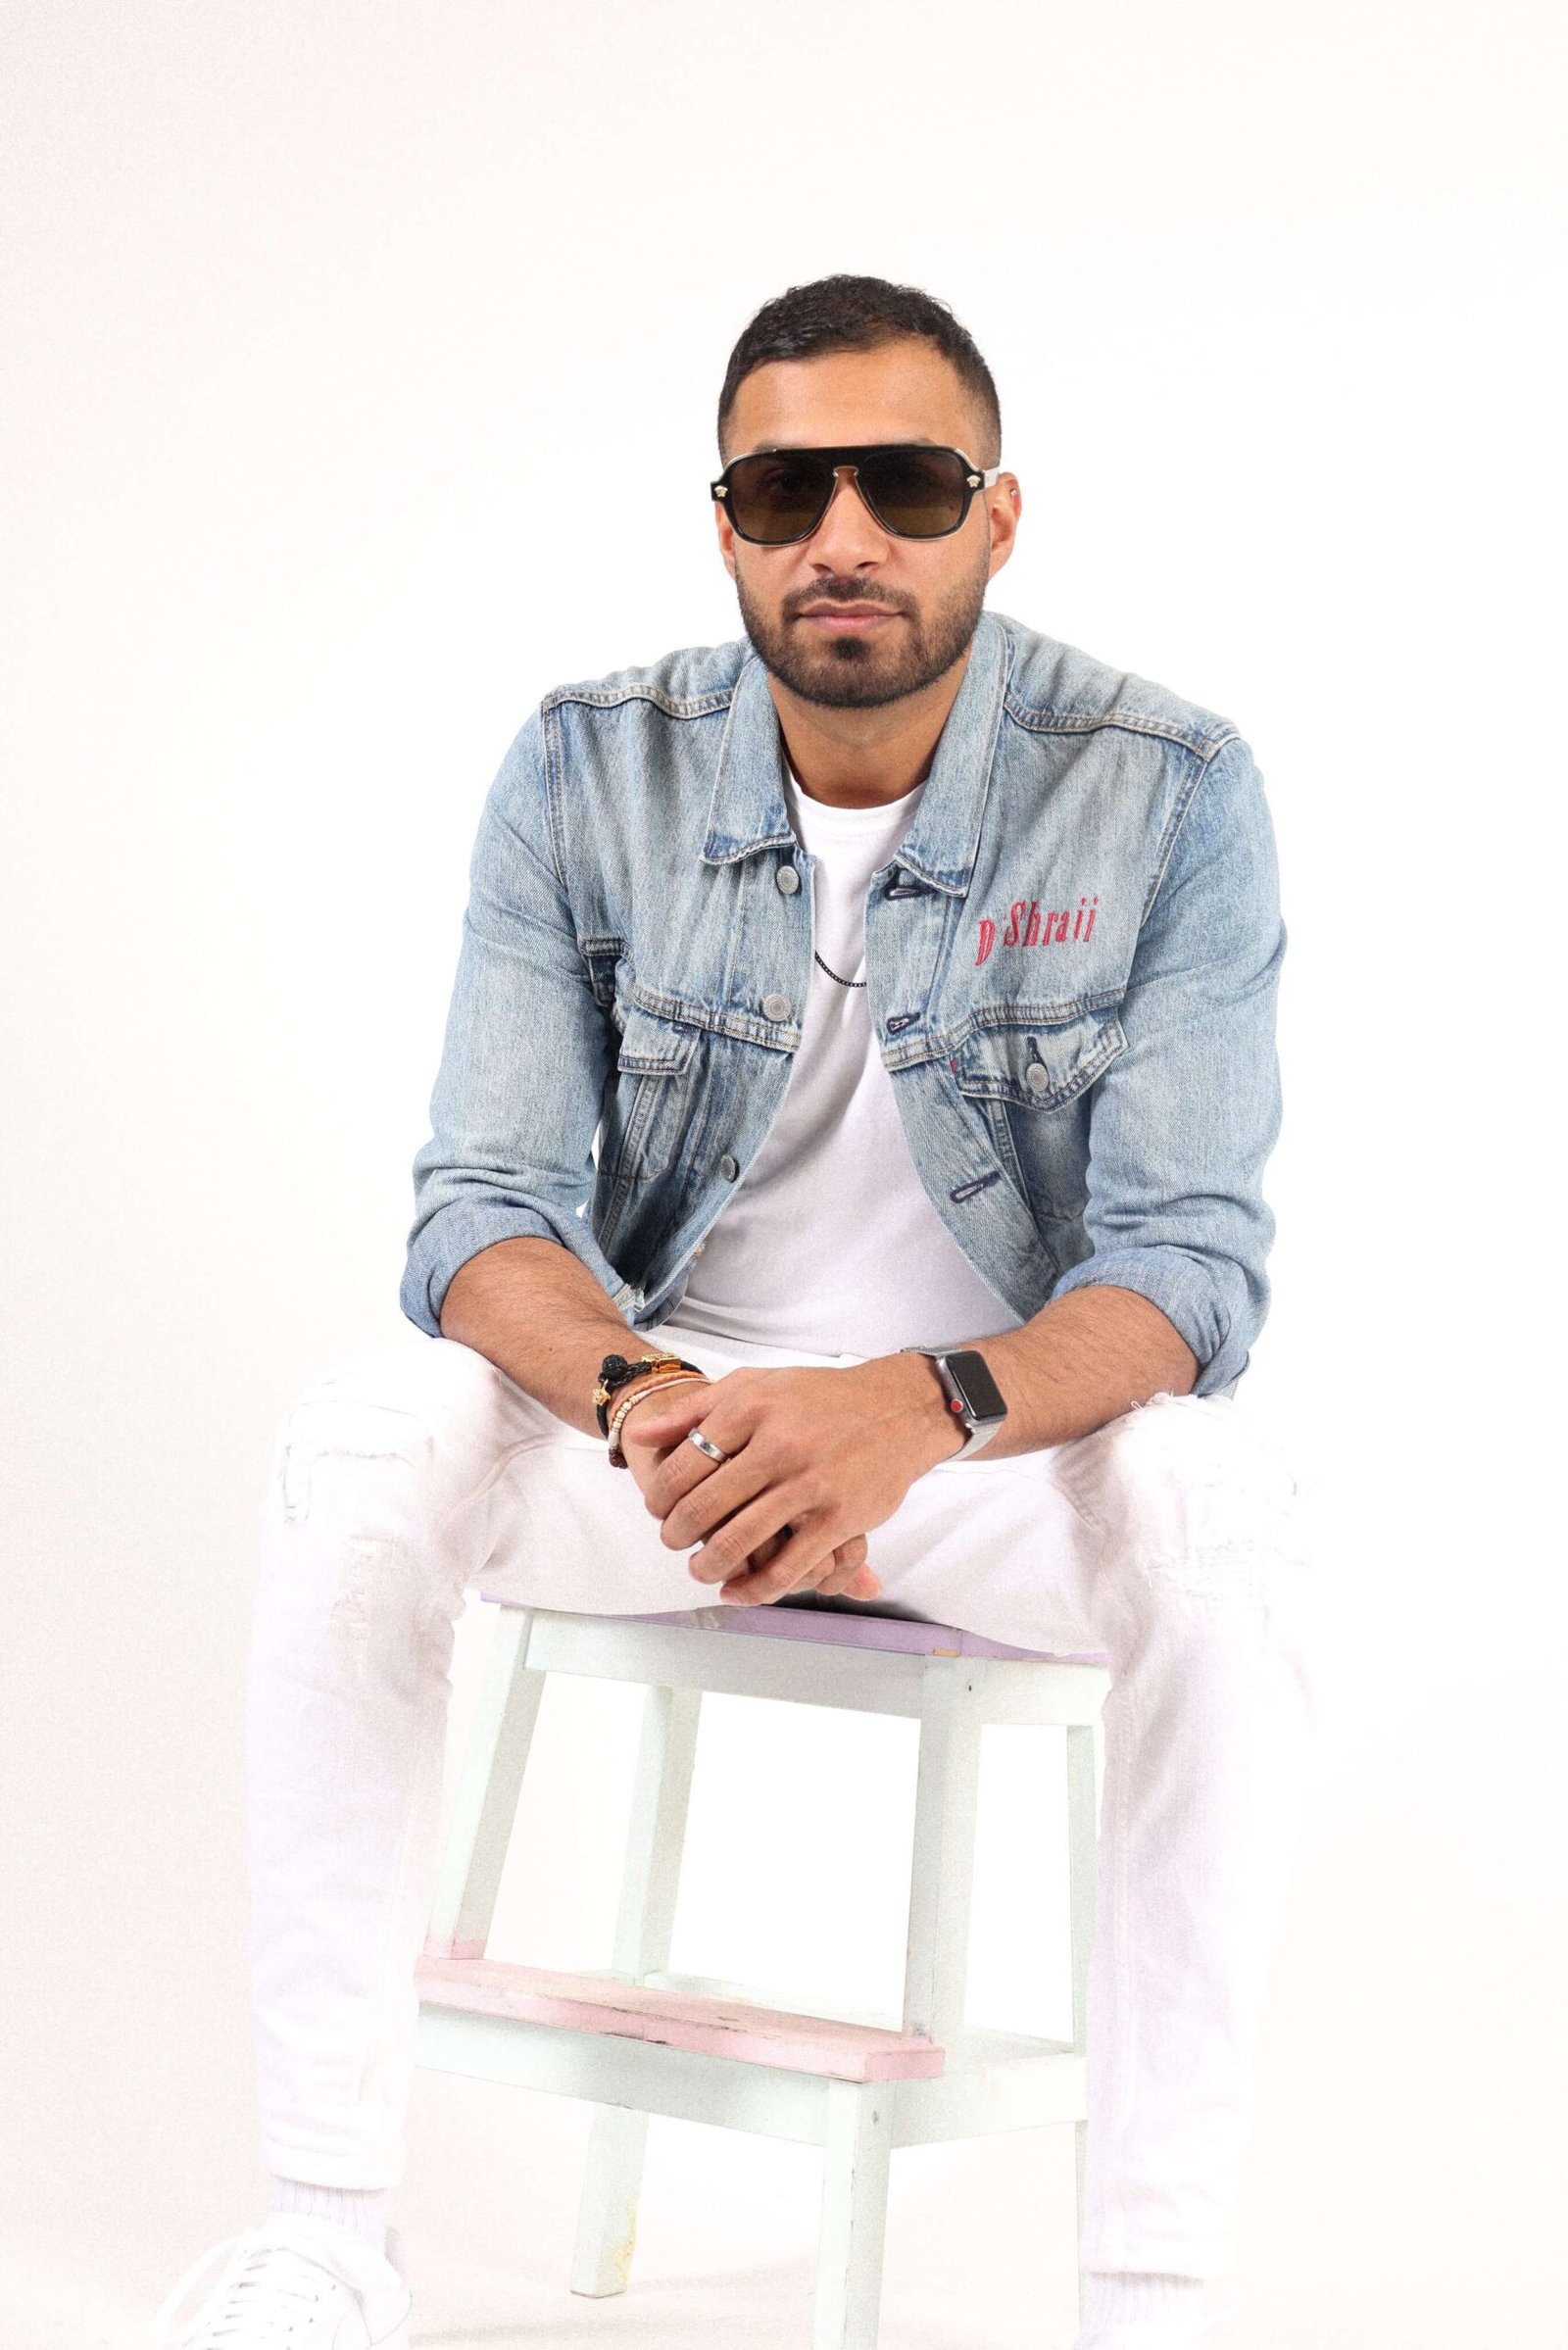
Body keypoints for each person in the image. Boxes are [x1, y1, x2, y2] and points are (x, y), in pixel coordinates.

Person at [152, 274, 1322, 2350]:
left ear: (997, 513)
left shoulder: (1166, 786)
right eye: (787, 490)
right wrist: (651, 1404)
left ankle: (1148, 2297)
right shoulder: (584, 767)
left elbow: (1184, 1269)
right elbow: (481, 1212)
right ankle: (323, 2234)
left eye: (906, 484)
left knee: (1217, 1506)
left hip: (987, 1461)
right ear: (725, 526)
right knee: (355, 1437)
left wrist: (908, 1408)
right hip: (664, 1446)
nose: (843, 535)